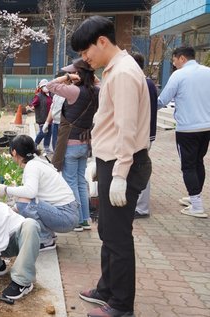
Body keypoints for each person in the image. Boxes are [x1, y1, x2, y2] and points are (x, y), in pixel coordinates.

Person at [71, 15, 152, 317]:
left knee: (118, 236)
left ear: (102, 41)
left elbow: (126, 130)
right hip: (111, 161)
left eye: (85, 51)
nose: (85, 58)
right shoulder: (115, 70)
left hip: (123, 164)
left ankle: (121, 304)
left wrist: (119, 174)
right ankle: (107, 287)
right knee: (107, 229)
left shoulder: (122, 74)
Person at [0, 135, 79, 251]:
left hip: (66, 216)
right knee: (23, 202)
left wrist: (6, 189)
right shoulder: (36, 162)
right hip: (68, 213)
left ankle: (45, 240)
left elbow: (30, 193)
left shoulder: (32, 166)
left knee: (24, 202)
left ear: (14, 152)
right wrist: (10, 210)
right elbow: (31, 193)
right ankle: (49, 236)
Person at [46, 58, 99, 232]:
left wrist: (67, 76)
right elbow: (101, 84)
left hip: (70, 143)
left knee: (70, 182)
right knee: (81, 182)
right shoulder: (96, 91)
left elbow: (50, 85)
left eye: (75, 72)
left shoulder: (74, 91)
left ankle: (75, 220)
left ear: (79, 74)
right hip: (85, 143)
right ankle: (85, 219)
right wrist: (90, 77)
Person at [157, 46, 210, 218]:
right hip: (206, 126)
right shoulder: (207, 72)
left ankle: (196, 205)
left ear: (181, 58)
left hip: (187, 129)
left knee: (188, 166)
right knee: (198, 162)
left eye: (173, 60)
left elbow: (162, 100)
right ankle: (195, 197)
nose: (173, 64)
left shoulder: (179, 75)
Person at [130, 52, 160, 219]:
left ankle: (141, 207)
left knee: (140, 169)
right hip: (147, 133)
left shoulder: (143, 83)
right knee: (139, 167)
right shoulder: (149, 83)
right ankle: (140, 204)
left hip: (141, 134)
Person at [27, 79, 53, 153]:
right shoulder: (38, 96)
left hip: (51, 118)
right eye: (43, 86)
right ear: (41, 88)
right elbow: (33, 104)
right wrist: (30, 107)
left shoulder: (52, 95)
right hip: (42, 118)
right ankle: (34, 144)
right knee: (43, 132)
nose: (45, 87)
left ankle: (46, 147)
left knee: (49, 133)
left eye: (46, 86)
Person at [42, 72, 66, 152]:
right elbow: (52, 109)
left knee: (61, 147)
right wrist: (47, 122)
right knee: (55, 145)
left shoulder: (68, 94)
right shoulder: (56, 95)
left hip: (63, 124)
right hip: (55, 123)